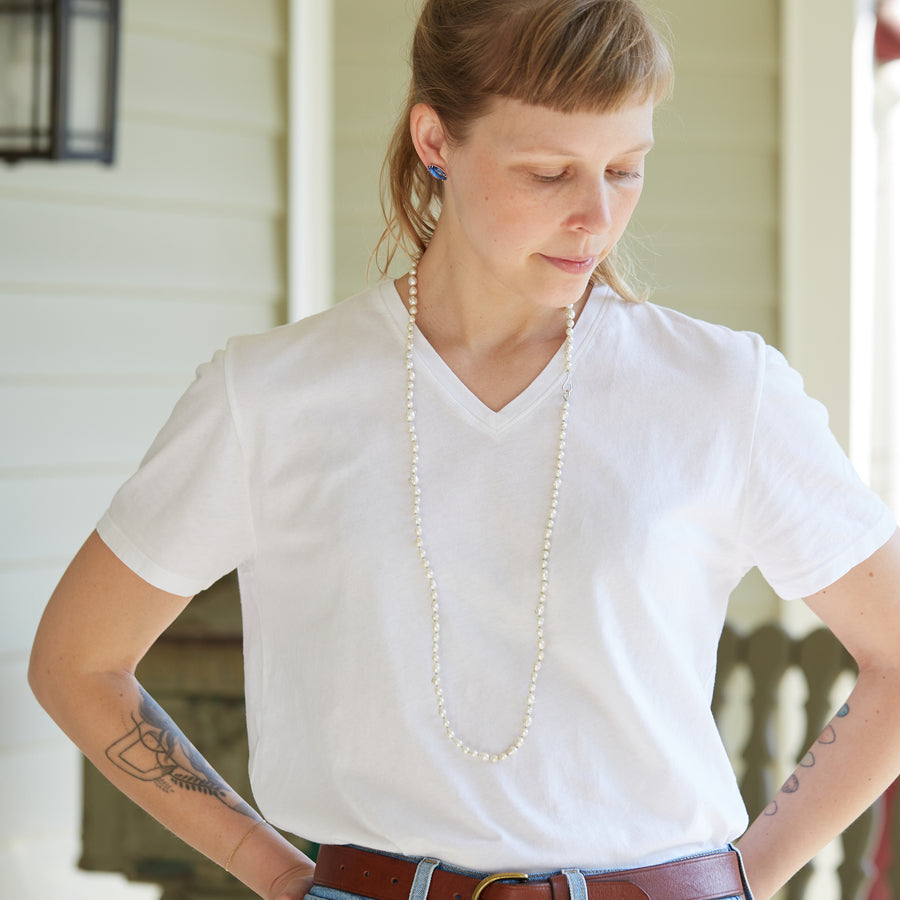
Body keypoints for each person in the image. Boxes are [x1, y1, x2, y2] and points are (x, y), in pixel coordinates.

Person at [28, 1, 900, 899]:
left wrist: (744, 879)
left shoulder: (723, 390)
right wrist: (272, 871)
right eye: (549, 172)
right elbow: (77, 661)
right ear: (435, 138)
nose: (595, 216)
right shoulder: (272, 397)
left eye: (625, 168)